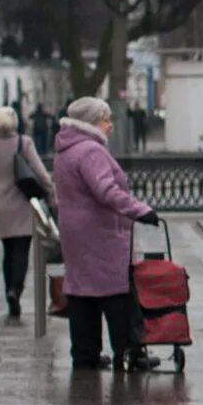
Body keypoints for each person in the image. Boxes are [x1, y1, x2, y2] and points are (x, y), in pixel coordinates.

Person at [52, 95, 162, 373]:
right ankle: (130, 352)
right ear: (91, 123)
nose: (110, 125)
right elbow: (106, 191)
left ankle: (85, 353)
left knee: (81, 291)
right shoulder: (91, 151)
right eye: (106, 120)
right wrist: (140, 210)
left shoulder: (66, 150)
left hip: (75, 232)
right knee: (116, 292)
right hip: (100, 234)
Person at [0, 106, 51, 320]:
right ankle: (15, 290)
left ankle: (8, 289)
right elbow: (39, 172)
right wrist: (51, 192)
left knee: (7, 250)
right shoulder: (24, 143)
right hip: (21, 202)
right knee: (21, 249)